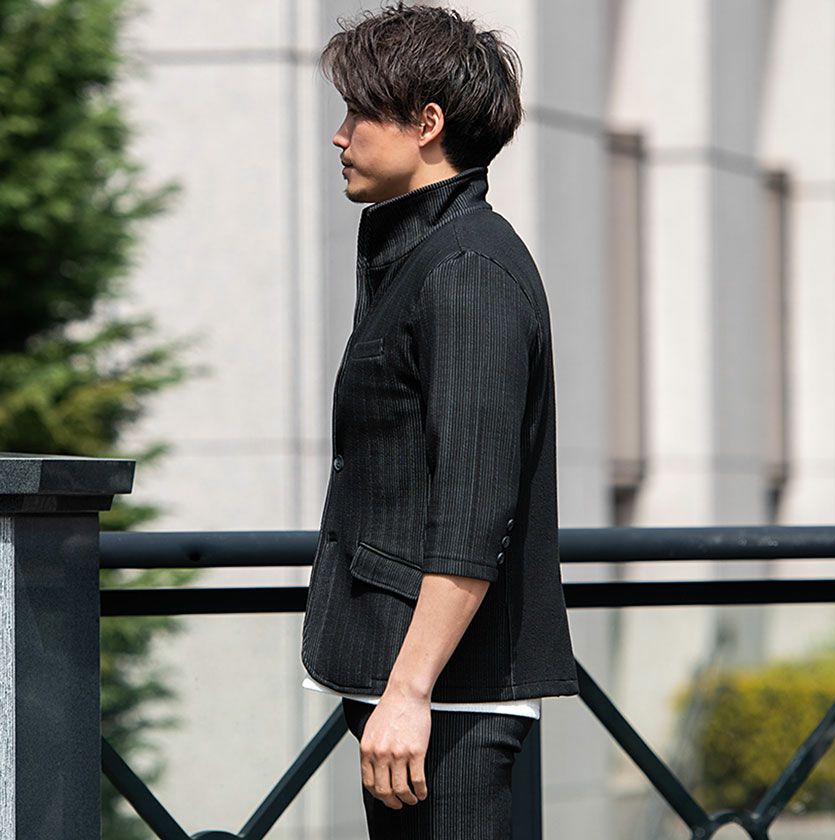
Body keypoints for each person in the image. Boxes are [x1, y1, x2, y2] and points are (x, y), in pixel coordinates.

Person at [299, 3, 580, 837]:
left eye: (359, 112)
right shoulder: (428, 256)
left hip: (446, 697)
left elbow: (473, 510)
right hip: (420, 686)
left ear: (427, 124)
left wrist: (410, 689)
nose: (340, 135)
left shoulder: (465, 271)